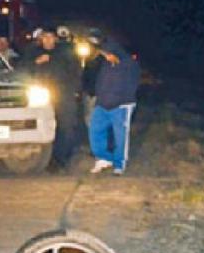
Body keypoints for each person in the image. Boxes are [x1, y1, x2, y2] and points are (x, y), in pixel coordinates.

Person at [22, 27, 81, 170]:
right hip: (40, 96)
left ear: (55, 38)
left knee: (65, 126)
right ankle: (46, 159)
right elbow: (21, 70)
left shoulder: (65, 53)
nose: (47, 40)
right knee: (43, 126)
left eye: (50, 37)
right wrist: (36, 62)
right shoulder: (32, 53)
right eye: (45, 37)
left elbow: (75, 72)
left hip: (63, 93)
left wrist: (75, 91)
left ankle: (61, 159)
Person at [82, 37, 140, 176]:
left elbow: (132, 84)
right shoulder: (105, 65)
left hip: (121, 105)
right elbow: (97, 81)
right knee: (95, 130)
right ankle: (104, 158)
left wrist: (120, 101)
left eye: (106, 53)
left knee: (120, 136)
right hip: (102, 104)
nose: (104, 56)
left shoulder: (129, 64)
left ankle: (120, 164)